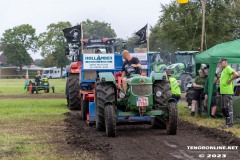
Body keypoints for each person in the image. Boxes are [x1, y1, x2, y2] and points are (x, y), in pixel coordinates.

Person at [219, 58, 238, 128]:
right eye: (220, 63)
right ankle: (227, 123)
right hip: (223, 91)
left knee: (228, 108)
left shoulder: (228, 68)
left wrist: (230, 80)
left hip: (227, 91)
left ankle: (229, 124)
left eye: (221, 63)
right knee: (224, 108)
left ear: (225, 62)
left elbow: (236, 74)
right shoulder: (224, 70)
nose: (220, 64)